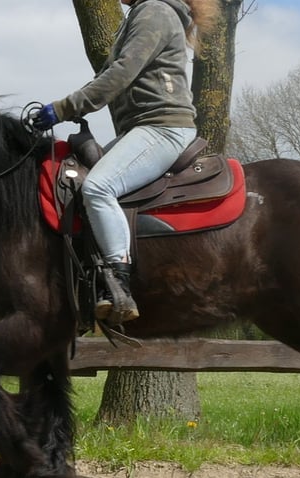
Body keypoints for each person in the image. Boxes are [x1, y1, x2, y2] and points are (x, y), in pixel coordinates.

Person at [33, 0, 219, 324]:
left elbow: (121, 72)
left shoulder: (155, 11)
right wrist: (74, 107)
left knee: (98, 187)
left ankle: (118, 283)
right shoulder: (143, 13)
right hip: (144, 128)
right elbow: (110, 74)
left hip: (162, 128)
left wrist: (63, 108)